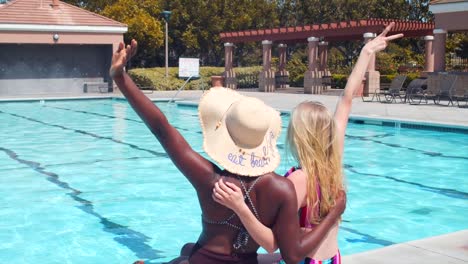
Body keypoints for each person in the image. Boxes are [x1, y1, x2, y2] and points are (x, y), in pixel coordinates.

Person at [110, 39, 346, 264]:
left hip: (203, 260)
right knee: (185, 250)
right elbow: (292, 255)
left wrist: (121, 78)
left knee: (188, 253)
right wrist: (333, 213)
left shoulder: (209, 179)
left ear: (226, 137)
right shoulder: (281, 189)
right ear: (265, 138)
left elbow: (162, 129)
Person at [213, 22, 403, 264]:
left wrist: (240, 206)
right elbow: (346, 99)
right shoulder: (333, 162)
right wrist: (366, 52)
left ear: (298, 136)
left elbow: (271, 244)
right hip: (333, 259)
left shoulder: (296, 181)